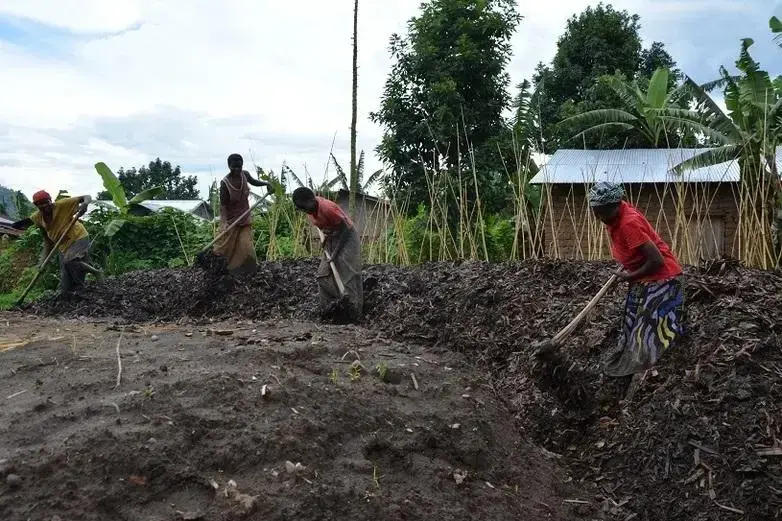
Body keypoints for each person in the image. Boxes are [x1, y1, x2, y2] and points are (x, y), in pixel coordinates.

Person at [588, 181, 684, 377]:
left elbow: (656, 261)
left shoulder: (628, 223)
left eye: (602, 212)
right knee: (631, 323)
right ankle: (630, 366)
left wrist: (628, 276)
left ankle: (651, 372)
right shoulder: (616, 216)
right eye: (595, 211)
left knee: (648, 332)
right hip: (643, 277)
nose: (598, 217)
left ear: (616, 206)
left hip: (662, 280)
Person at [292, 187, 362, 320]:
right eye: (302, 209)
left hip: (347, 238)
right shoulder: (310, 211)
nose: (305, 211)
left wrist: (335, 253)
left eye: (305, 207)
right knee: (322, 275)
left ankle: (354, 314)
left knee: (348, 274)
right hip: (332, 237)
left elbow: (346, 229)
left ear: (312, 199)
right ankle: (329, 310)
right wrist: (326, 240)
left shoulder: (328, 208)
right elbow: (323, 227)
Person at [30, 191, 98, 295]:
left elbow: (86, 197)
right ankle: (69, 293)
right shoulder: (37, 217)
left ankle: (92, 276)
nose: (44, 205)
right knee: (65, 283)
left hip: (78, 237)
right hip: (62, 246)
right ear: (36, 205)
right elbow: (47, 240)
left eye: (46, 202)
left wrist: (84, 204)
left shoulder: (62, 204)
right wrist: (43, 261)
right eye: (40, 204)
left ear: (50, 200)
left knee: (69, 261)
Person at [213, 153, 271, 275]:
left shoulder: (245, 175)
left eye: (239, 166)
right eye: (234, 167)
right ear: (229, 166)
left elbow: (254, 181)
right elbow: (223, 206)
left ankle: (250, 272)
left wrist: (266, 184)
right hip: (230, 221)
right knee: (224, 249)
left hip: (244, 218)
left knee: (247, 248)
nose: (237, 169)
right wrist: (224, 223)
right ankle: (219, 271)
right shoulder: (225, 183)